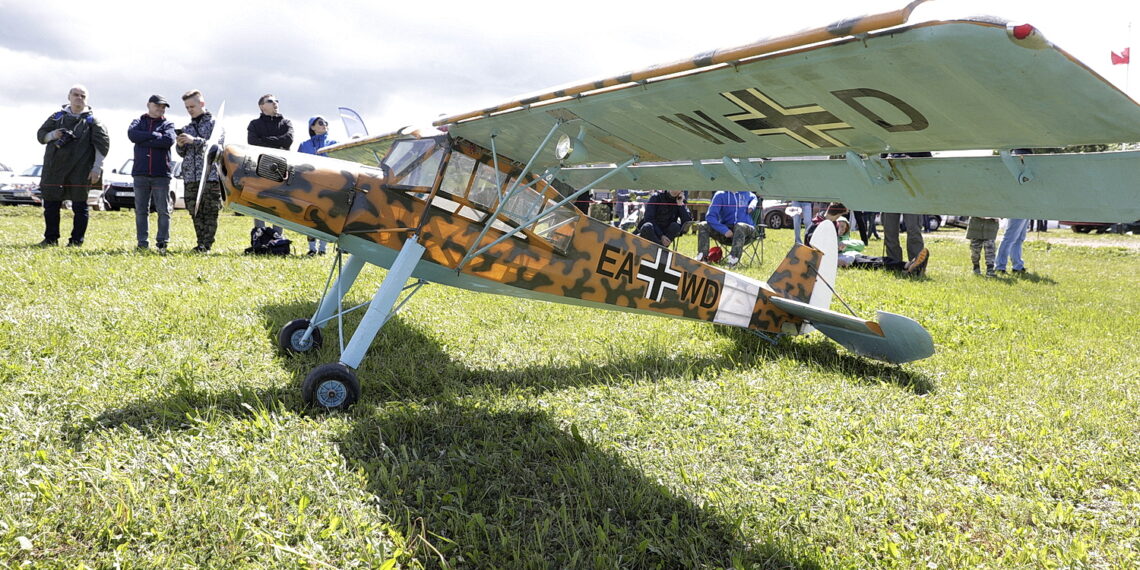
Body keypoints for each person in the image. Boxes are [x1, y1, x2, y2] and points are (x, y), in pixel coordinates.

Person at [35, 84, 110, 247]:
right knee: (50, 205)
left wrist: (96, 168)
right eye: (76, 94)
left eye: (83, 96)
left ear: (86, 99)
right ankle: (50, 239)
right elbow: (40, 136)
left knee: (80, 206)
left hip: (81, 169)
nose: (79, 98)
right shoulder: (56, 117)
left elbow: (102, 146)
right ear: (69, 96)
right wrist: (53, 135)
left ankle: (76, 241)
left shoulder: (92, 121)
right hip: (54, 169)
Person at [128, 95, 177, 253]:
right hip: (140, 173)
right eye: (158, 106)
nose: (161, 109)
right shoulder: (138, 122)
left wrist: (144, 139)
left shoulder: (168, 124)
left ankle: (162, 242)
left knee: (163, 210)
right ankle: (142, 243)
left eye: (163, 107)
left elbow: (168, 141)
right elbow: (132, 135)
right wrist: (155, 135)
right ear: (148, 105)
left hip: (161, 174)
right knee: (141, 210)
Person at [175, 90, 222, 253]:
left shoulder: (215, 124)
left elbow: (218, 147)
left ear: (202, 103)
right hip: (190, 176)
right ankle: (200, 243)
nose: (190, 110)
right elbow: (181, 154)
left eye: (192, 106)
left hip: (209, 176)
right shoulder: (187, 127)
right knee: (194, 210)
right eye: (187, 107)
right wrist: (180, 145)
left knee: (209, 211)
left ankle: (206, 244)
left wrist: (194, 141)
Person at [247, 94, 292, 235]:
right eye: (271, 101)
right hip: (260, 167)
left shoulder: (286, 123)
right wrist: (277, 143)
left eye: (277, 100)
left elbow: (288, 140)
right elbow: (253, 142)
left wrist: (265, 140)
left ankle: (278, 236)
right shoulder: (254, 124)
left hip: (281, 168)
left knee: (279, 202)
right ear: (262, 106)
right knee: (259, 201)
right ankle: (260, 235)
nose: (275, 103)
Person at [298, 115, 337, 255]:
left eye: (326, 122)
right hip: (309, 186)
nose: (324, 124)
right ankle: (312, 248)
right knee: (310, 215)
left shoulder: (334, 143)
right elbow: (298, 166)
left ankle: (323, 248)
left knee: (325, 215)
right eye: (320, 123)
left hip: (328, 186)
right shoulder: (304, 145)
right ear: (312, 127)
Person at [695, 190, 758, 267]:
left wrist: (752, 206)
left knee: (740, 226)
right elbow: (710, 217)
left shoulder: (746, 192)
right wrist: (724, 230)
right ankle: (703, 257)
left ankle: (733, 259)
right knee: (703, 225)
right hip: (726, 232)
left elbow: (754, 197)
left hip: (747, 233)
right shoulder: (720, 195)